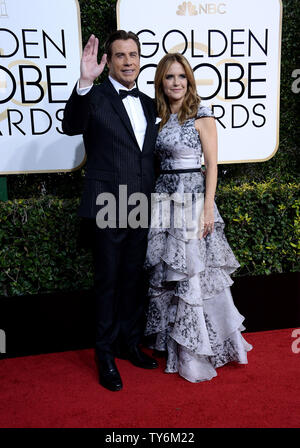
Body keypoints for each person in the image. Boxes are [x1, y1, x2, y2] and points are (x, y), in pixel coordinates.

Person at [144, 53, 253, 383]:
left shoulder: (201, 115)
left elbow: (212, 166)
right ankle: (168, 340)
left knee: (191, 273)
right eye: (169, 77)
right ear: (161, 82)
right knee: (167, 273)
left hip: (192, 200)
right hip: (164, 200)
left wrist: (208, 207)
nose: (176, 83)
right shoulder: (159, 117)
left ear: (189, 81)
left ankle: (195, 350)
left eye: (181, 77)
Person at [62, 31, 158, 392]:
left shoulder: (149, 103)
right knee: (107, 281)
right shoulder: (96, 96)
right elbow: (71, 125)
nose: (129, 61)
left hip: (140, 203)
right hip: (107, 201)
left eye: (133, 54)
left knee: (133, 278)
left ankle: (129, 343)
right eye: (120, 56)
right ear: (110, 62)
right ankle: (103, 354)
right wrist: (84, 82)